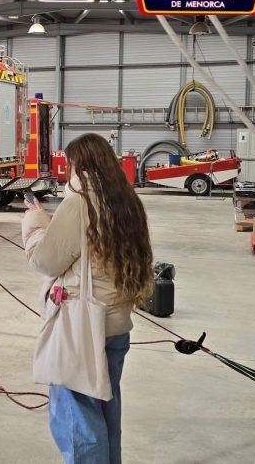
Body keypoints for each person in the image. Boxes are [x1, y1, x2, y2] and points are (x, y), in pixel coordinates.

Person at [21, 133, 155, 464]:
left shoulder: (78, 202)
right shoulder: (126, 202)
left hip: (82, 330)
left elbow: (46, 261)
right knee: (107, 412)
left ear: (79, 165)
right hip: (116, 326)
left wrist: (36, 225)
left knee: (79, 425)